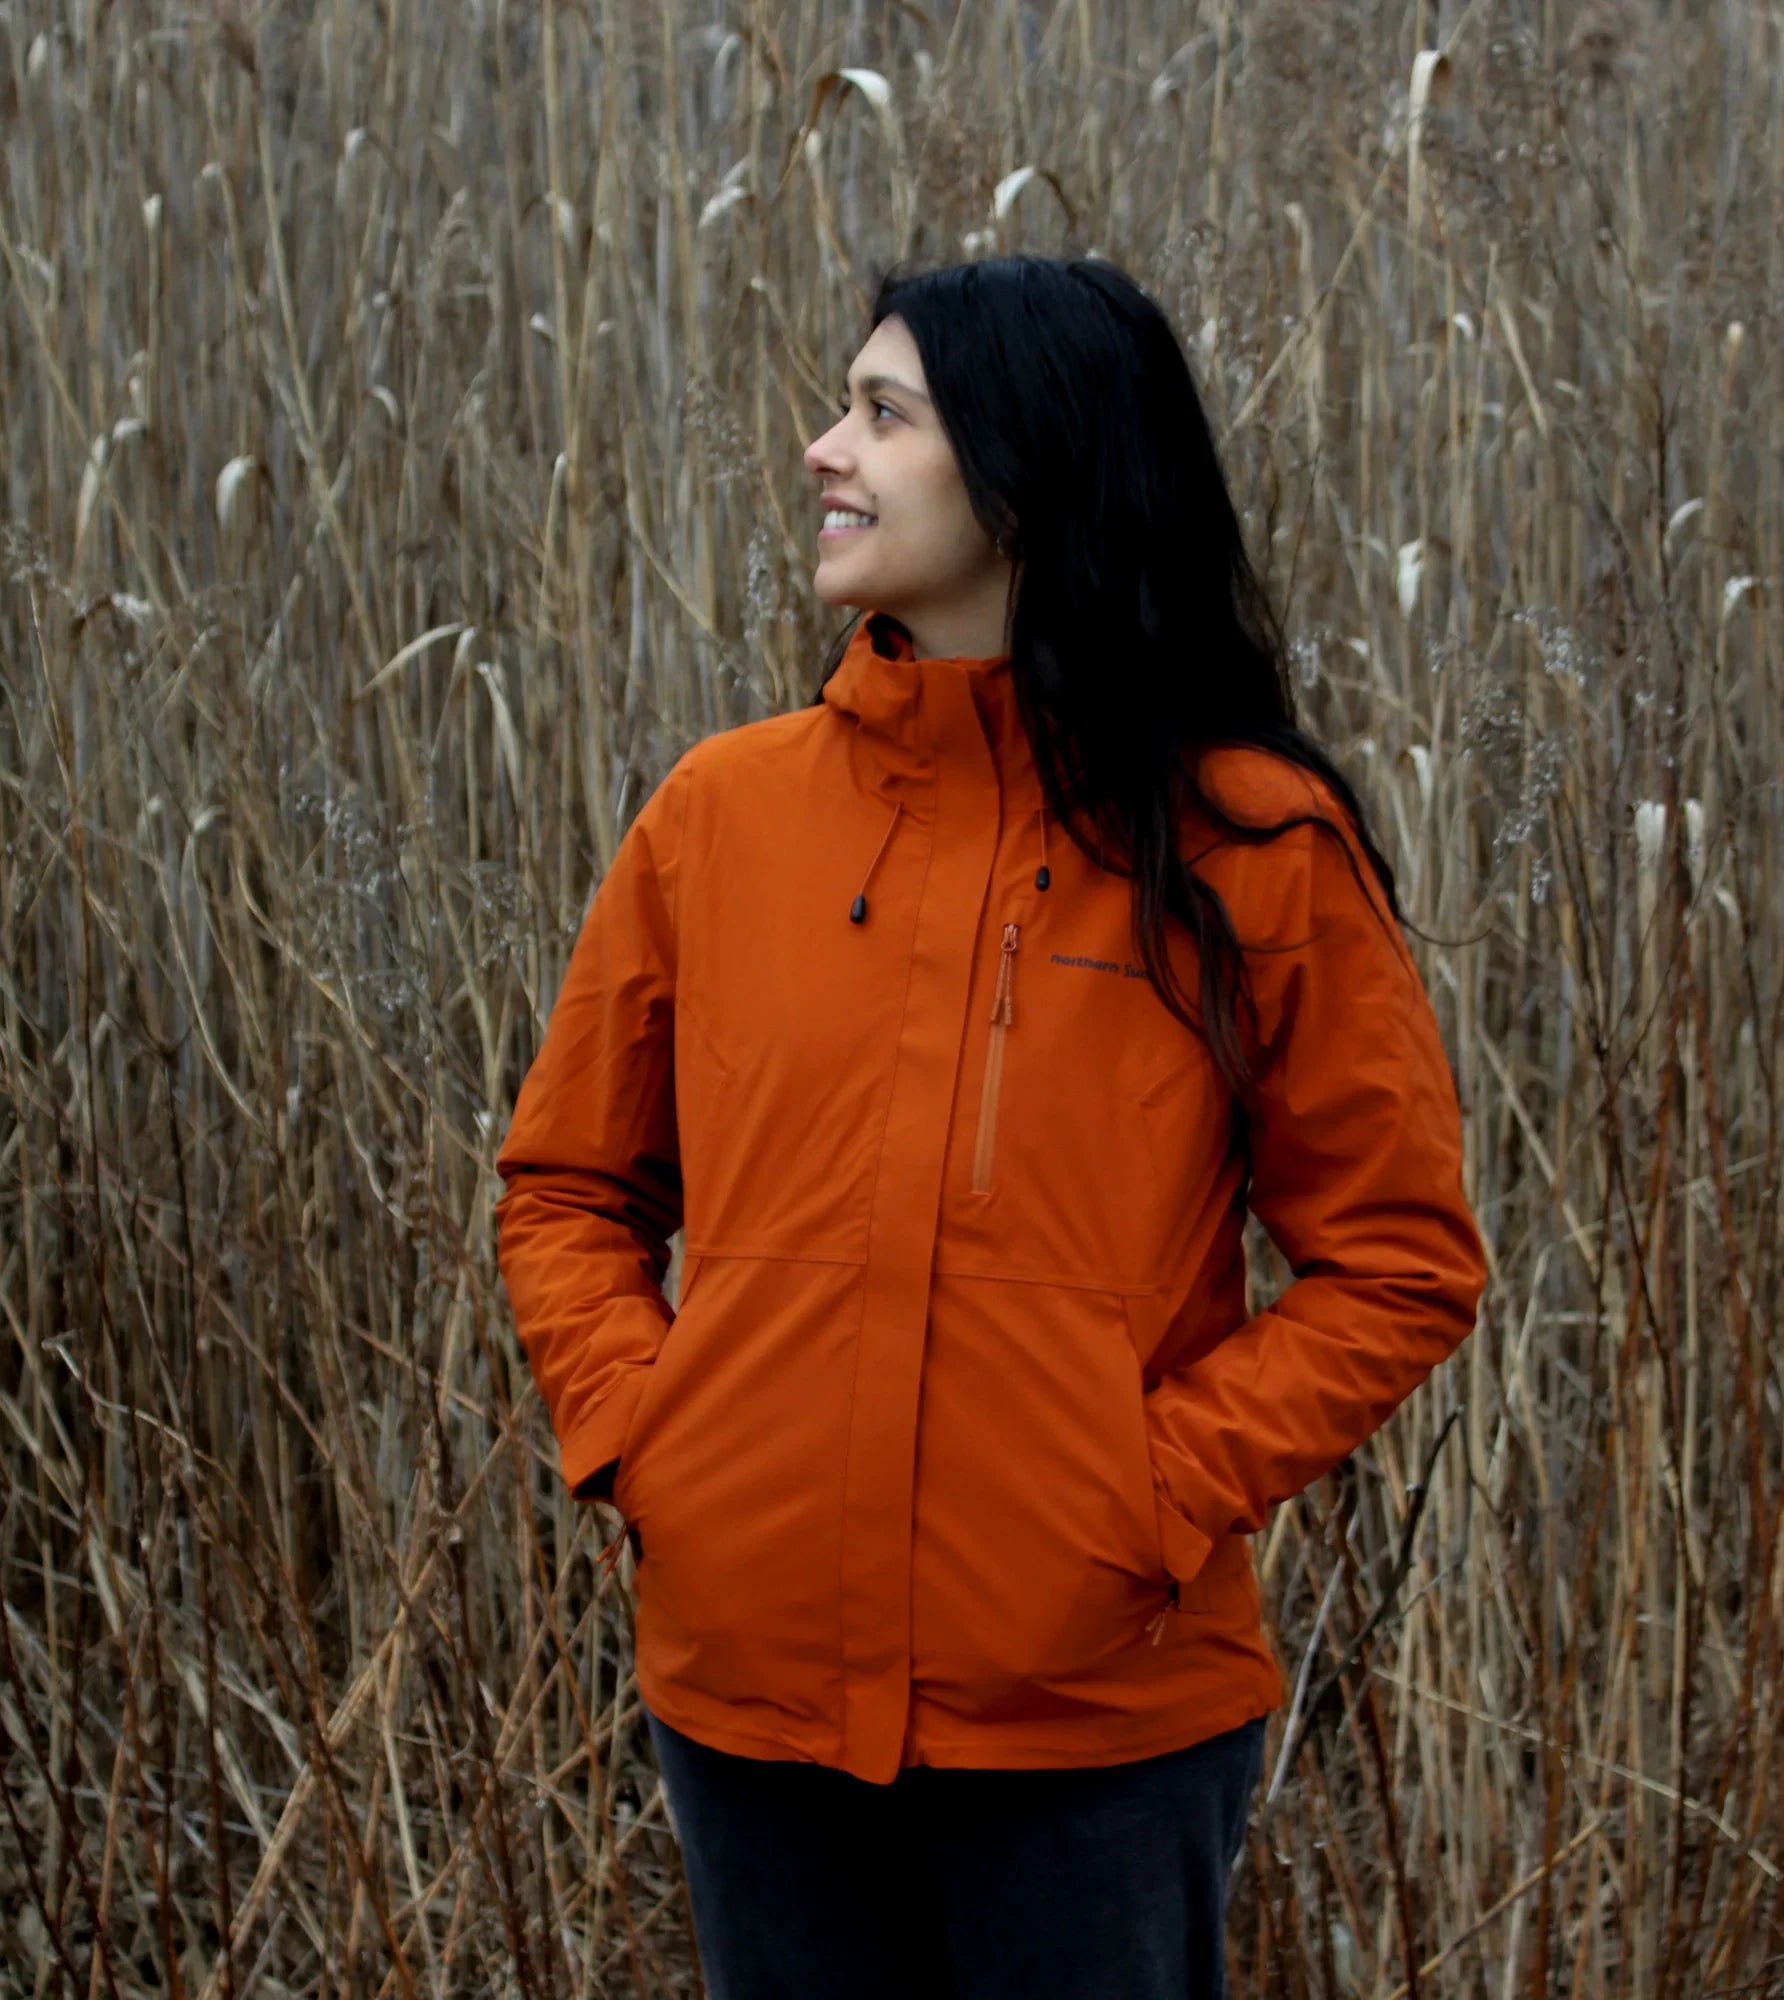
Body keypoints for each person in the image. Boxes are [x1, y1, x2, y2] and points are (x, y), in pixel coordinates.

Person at [493, 254, 1487, 2000]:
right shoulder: (718, 821)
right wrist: (657, 1446)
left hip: (1092, 1728)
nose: (823, 448)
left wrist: (1146, 1492)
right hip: (756, 1708)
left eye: (884, 414)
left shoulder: (1252, 845)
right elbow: (567, 1184)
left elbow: (1399, 1263)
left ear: (1034, 473)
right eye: (841, 405)